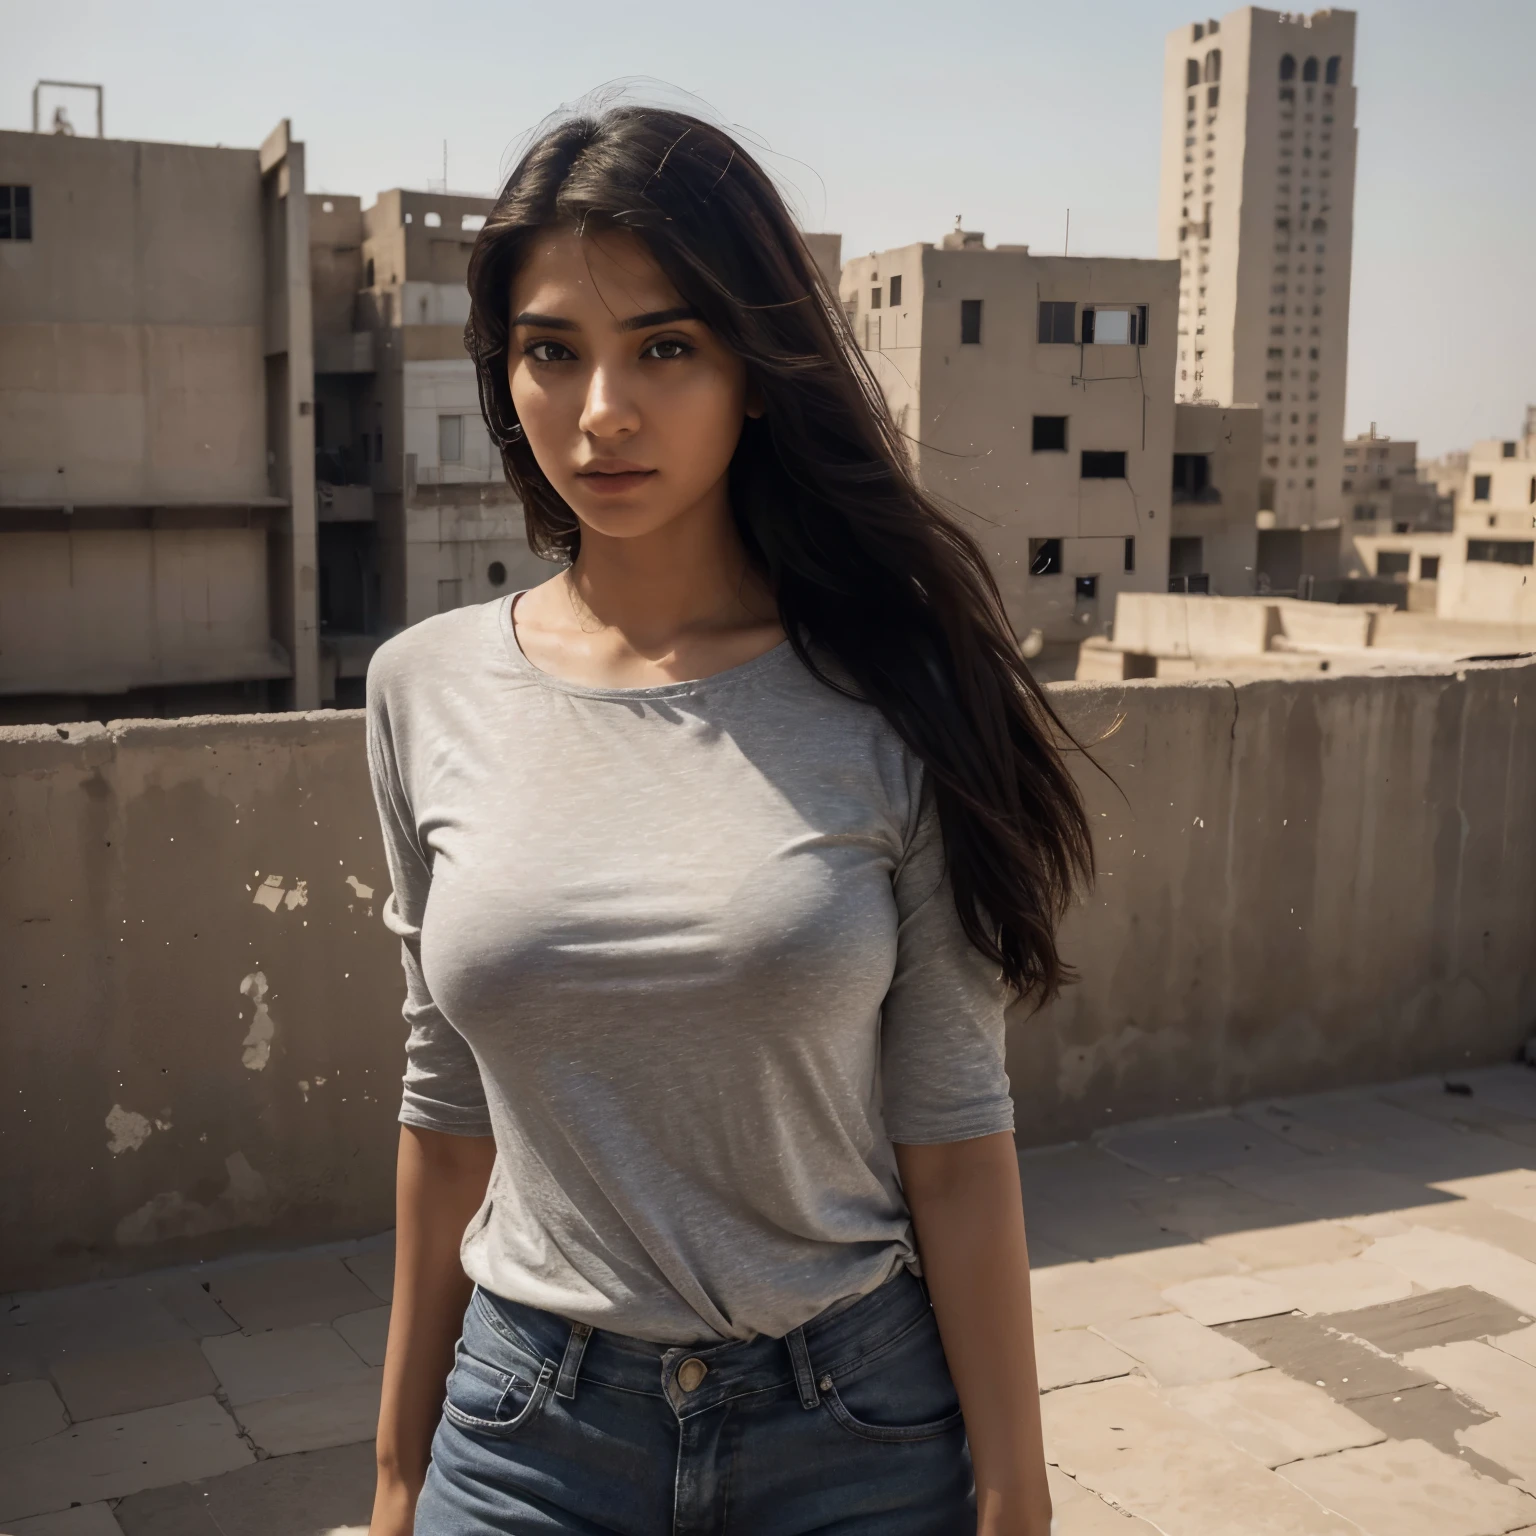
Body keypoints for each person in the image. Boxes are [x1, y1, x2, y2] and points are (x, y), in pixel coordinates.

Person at [364, 103, 1092, 1536]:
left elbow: (952, 1134)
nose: (603, 413)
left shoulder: (895, 692)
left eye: (667, 347)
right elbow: (445, 1117)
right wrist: (396, 1475)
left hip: (853, 1429)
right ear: (503, 371)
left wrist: (1016, 1493)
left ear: (758, 370)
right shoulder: (421, 689)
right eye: (551, 351)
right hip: (525, 1433)